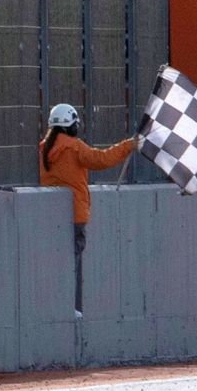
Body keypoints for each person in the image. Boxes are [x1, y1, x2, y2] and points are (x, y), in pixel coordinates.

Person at [39, 104, 137, 318]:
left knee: (55, 263)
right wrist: (129, 145)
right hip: (75, 215)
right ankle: (73, 308)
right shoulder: (74, 147)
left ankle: (54, 304)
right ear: (69, 126)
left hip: (49, 214)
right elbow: (101, 159)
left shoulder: (45, 149)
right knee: (74, 263)